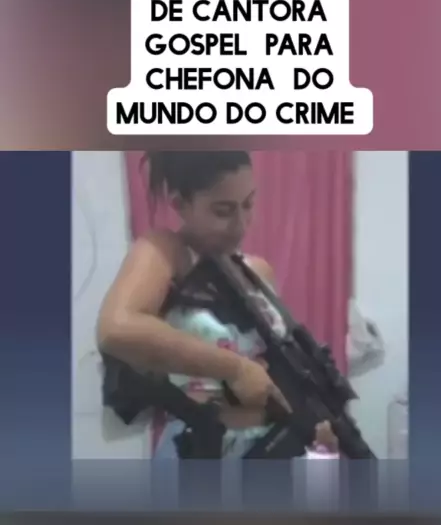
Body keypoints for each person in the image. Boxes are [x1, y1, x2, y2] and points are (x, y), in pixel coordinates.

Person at [97, 150, 338, 459]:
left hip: (272, 450)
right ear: (180, 204)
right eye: (223, 211)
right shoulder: (170, 253)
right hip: (200, 452)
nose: (241, 225)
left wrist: (314, 422)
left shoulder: (258, 272)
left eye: (248, 204)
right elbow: (116, 328)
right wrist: (234, 369)